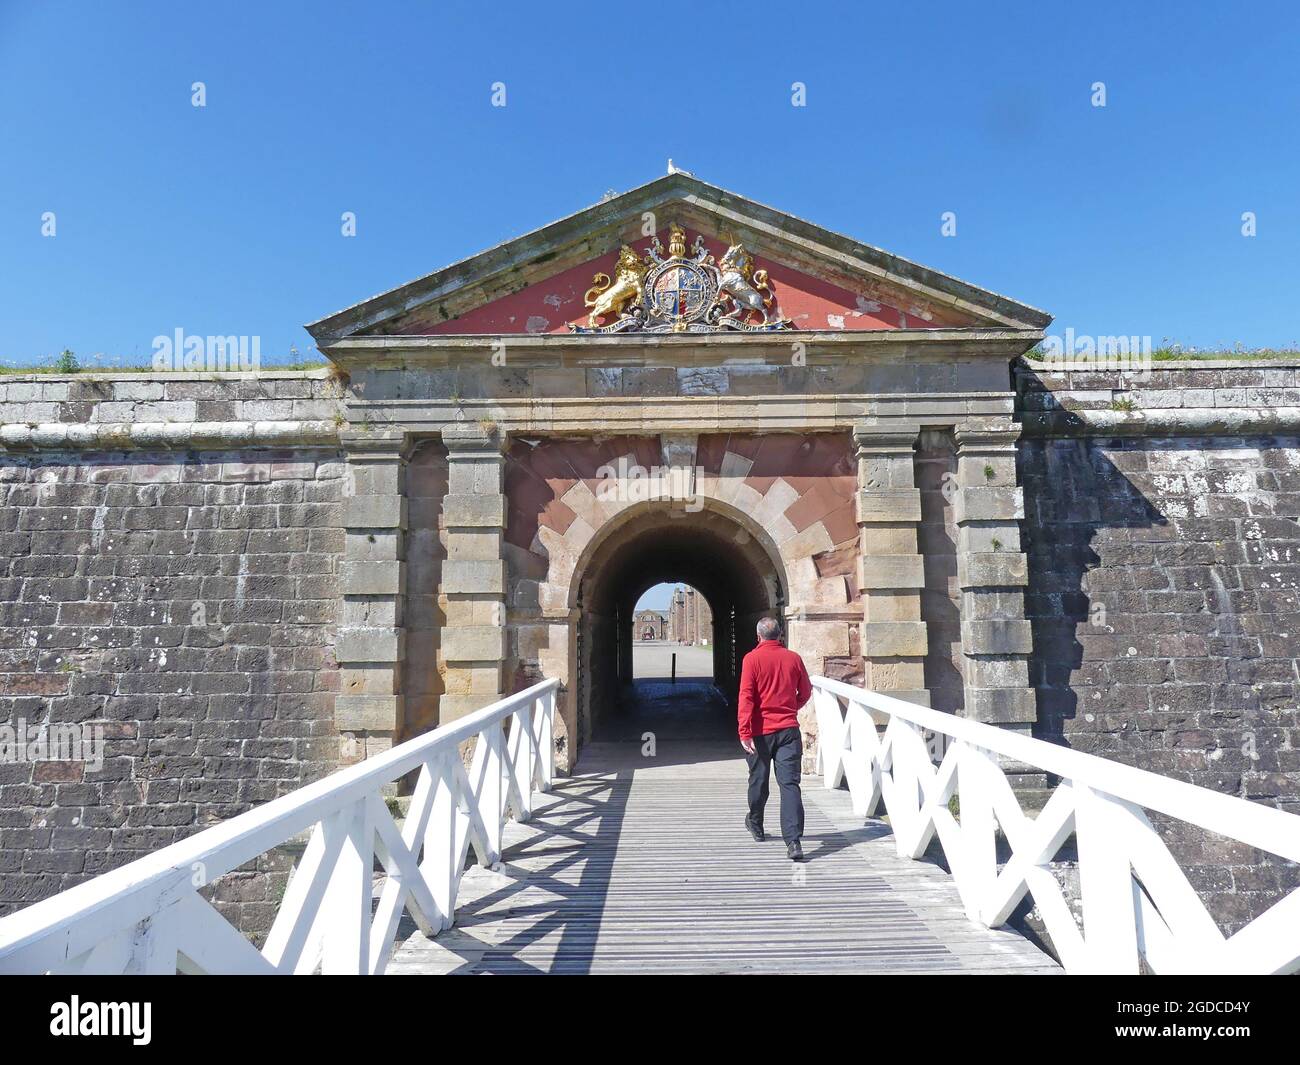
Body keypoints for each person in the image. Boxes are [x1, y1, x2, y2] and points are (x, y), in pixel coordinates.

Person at [737, 616, 811, 861]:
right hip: (789, 730)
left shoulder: (751, 659)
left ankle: (756, 825)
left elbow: (746, 696)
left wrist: (744, 731)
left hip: (760, 732)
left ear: (758, 636)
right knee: (789, 785)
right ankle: (793, 842)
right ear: (780, 635)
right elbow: (806, 691)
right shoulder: (793, 658)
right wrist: (792, 707)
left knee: (758, 780)